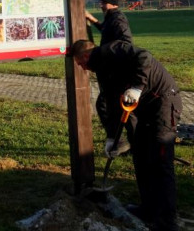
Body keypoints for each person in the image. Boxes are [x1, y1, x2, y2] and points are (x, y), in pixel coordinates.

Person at [71, 39, 182, 231]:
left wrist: (137, 86)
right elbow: (112, 105)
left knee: (160, 163)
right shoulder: (102, 72)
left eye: (80, 64)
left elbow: (144, 56)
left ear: (86, 56)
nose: (82, 69)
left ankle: (166, 221)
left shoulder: (113, 50)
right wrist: (113, 138)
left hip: (163, 101)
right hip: (144, 111)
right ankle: (148, 209)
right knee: (141, 157)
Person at [85, 0, 134, 156]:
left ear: (112, 3)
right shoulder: (111, 18)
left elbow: (125, 42)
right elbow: (106, 30)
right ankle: (121, 142)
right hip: (111, 72)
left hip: (117, 73)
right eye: (100, 2)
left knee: (109, 106)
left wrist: (101, 51)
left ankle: (124, 142)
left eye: (103, 2)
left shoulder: (118, 18)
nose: (101, 5)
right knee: (110, 107)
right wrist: (92, 20)